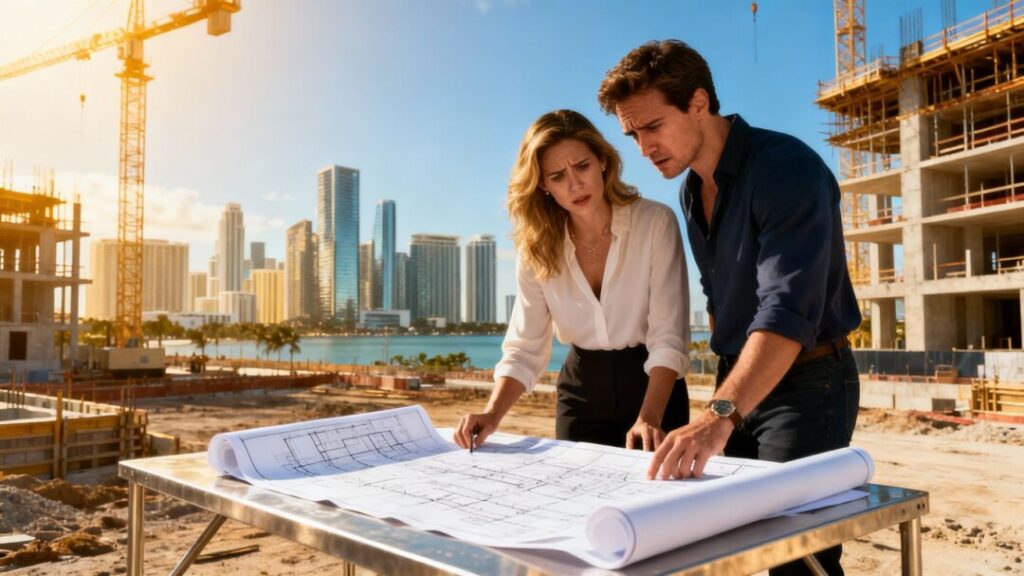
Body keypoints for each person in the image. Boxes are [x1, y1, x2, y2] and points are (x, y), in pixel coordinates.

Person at [598, 40, 862, 575]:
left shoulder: (787, 169)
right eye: (632, 134)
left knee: (798, 559)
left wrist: (719, 414)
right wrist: (724, 397)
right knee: (723, 546)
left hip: (809, 385)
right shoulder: (692, 191)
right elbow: (721, 300)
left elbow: (787, 311)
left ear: (698, 102)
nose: (643, 147)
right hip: (738, 382)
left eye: (652, 126)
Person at [453, 109, 690, 452]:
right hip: (580, 392)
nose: (574, 184)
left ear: (603, 162)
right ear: (543, 185)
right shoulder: (535, 247)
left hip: (655, 387)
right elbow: (525, 347)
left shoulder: (655, 222)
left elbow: (669, 335)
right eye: (557, 176)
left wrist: (650, 417)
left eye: (582, 166)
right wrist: (491, 414)